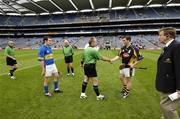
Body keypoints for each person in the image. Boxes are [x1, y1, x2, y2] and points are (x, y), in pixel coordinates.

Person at [156, 27, 180, 119]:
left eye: (160, 35)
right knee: (166, 107)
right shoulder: (168, 47)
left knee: (167, 108)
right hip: (166, 85)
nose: (159, 37)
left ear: (168, 36)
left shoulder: (176, 46)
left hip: (172, 87)